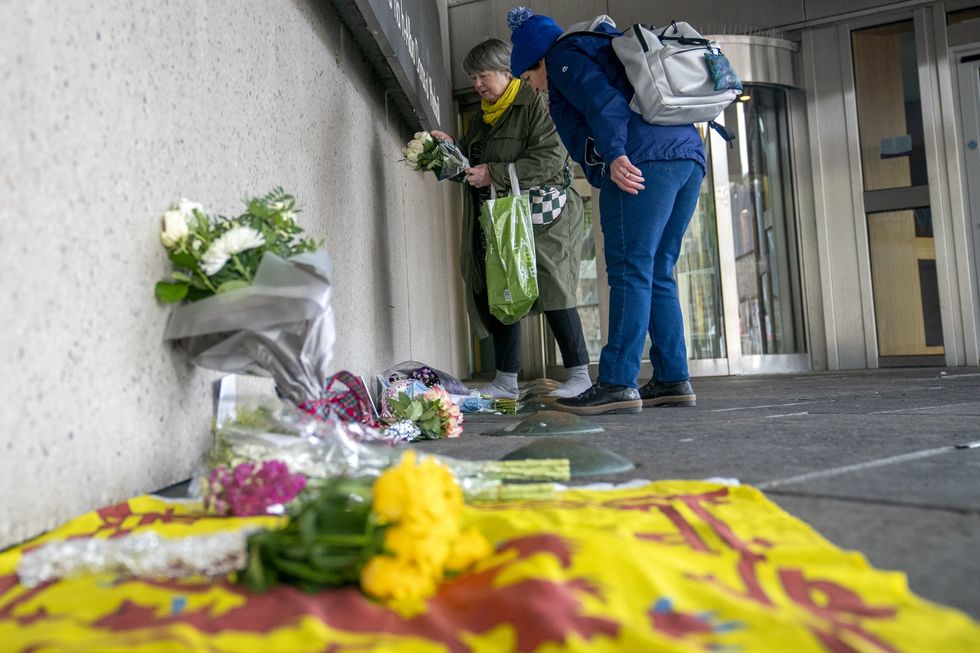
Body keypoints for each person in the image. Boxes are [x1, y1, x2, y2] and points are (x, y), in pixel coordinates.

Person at [507, 7, 704, 414]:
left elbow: (604, 102)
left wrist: (615, 154)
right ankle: (672, 378)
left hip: (640, 162)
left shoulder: (564, 56)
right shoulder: (600, 49)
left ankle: (617, 381)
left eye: (530, 78)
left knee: (630, 269)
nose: (535, 87)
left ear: (538, 60)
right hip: (687, 158)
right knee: (658, 269)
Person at [431, 38, 591, 401]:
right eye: (472, 78)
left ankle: (580, 375)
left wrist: (496, 174)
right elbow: (475, 169)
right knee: (503, 288)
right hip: (506, 216)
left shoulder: (537, 102)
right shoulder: (484, 116)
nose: (477, 85)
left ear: (507, 71)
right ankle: (506, 381)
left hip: (548, 216)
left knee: (554, 288)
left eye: (483, 76)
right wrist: (448, 150)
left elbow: (551, 158)